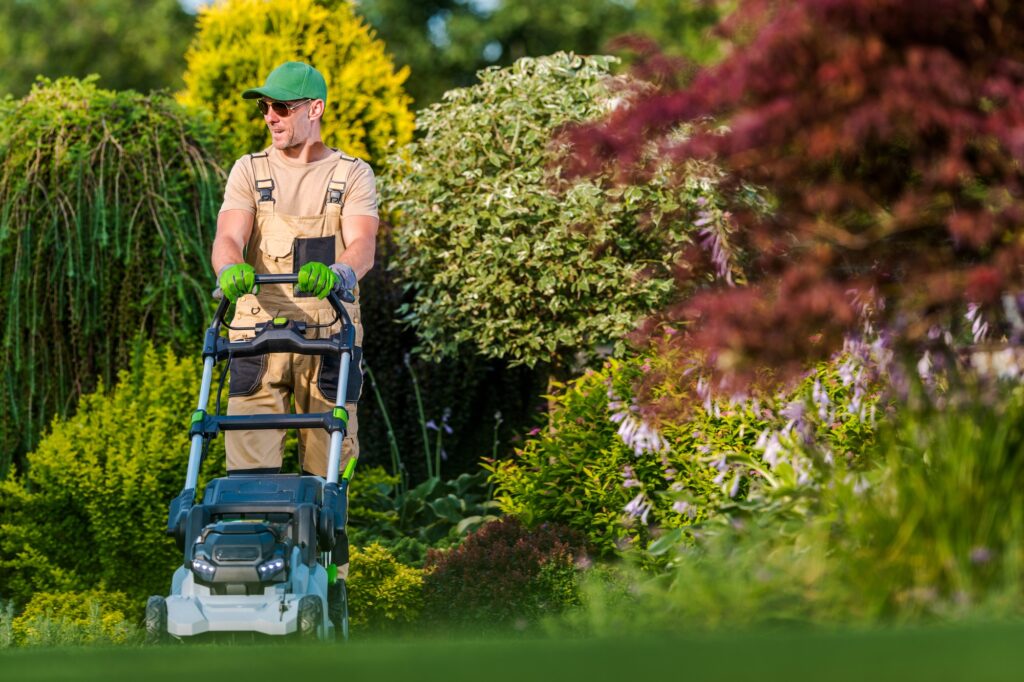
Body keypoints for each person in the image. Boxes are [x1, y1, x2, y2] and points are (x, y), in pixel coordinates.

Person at [211, 61, 378, 484]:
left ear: (315, 109)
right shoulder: (249, 170)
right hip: (257, 336)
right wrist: (229, 269)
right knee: (247, 478)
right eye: (265, 106)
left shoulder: (351, 174)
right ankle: (254, 547)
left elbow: (363, 246)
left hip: (328, 336)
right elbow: (228, 237)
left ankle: (317, 550)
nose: (270, 116)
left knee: (327, 477)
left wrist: (339, 273)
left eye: (282, 107)